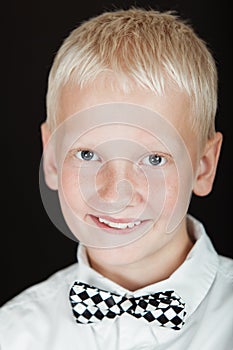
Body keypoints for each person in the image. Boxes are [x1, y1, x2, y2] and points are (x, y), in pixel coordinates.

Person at [0, 7, 232, 350]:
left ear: (203, 167)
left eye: (154, 159)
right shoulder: (12, 332)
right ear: (50, 156)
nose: (115, 194)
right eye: (87, 155)